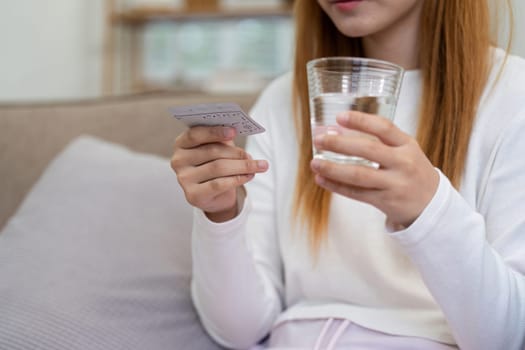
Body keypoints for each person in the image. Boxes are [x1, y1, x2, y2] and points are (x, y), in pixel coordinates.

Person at [171, 0, 525, 349]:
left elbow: (506, 337)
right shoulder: (282, 102)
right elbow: (240, 331)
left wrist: (428, 209)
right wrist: (220, 217)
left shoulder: (512, 96)